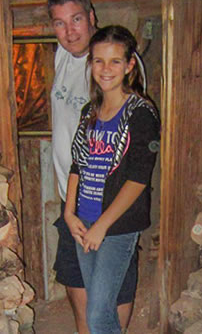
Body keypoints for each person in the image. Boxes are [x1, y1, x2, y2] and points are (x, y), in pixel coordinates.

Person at [48, 0, 138, 334]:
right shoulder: (62, 54)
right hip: (70, 195)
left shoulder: (107, 66)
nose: (70, 32)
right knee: (75, 276)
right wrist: (69, 205)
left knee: (111, 285)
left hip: (107, 200)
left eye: (76, 20)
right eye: (59, 23)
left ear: (92, 17)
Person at [64, 25, 160, 334]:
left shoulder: (140, 113)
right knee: (97, 306)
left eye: (115, 61)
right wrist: (69, 213)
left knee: (99, 314)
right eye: (99, 61)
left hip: (116, 227)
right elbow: (77, 163)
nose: (106, 69)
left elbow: (138, 178)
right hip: (83, 221)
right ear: (90, 63)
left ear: (130, 65)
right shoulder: (89, 112)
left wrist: (103, 226)